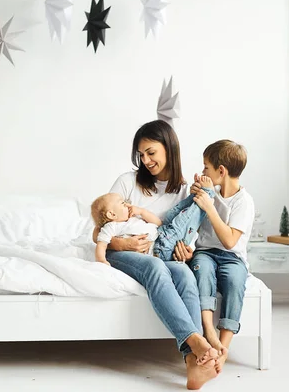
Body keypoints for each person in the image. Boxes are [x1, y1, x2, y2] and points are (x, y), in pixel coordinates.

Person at [92, 120, 219, 390]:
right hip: (121, 253)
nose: (146, 160)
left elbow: (187, 234)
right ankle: (194, 340)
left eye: (151, 152)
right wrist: (121, 245)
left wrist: (187, 251)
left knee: (184, 273)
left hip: (160, 254)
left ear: (169, 148)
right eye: (141, 154)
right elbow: (97, 231)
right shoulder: (128, 182)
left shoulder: (185, 191)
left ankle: (193, 366)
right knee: (154, 267)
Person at [187, 139, 255, 374]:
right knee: (202, 270)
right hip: (206, 252)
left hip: (232, 257)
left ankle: (223, 349)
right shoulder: (209, 194)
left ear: (221, 171)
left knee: (236, 281)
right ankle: (208, 331)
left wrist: (210, 207)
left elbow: (229, 241)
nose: (203, 171)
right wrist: (195, 196)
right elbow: (190, 223)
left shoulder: (244, 202)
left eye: (206, 167)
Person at [91, 179, 216, 264]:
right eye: (123, 203)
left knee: (174, 213)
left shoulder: (131, 218)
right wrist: (101, 260)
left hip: (162, 232)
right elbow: (101, 242)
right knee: (183, 222)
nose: (127, 204)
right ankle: (207, 195)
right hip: (160, 248)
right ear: (112, 214)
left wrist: (141, 212)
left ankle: (196, 196)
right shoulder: (112, 227)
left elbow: (158, 223)